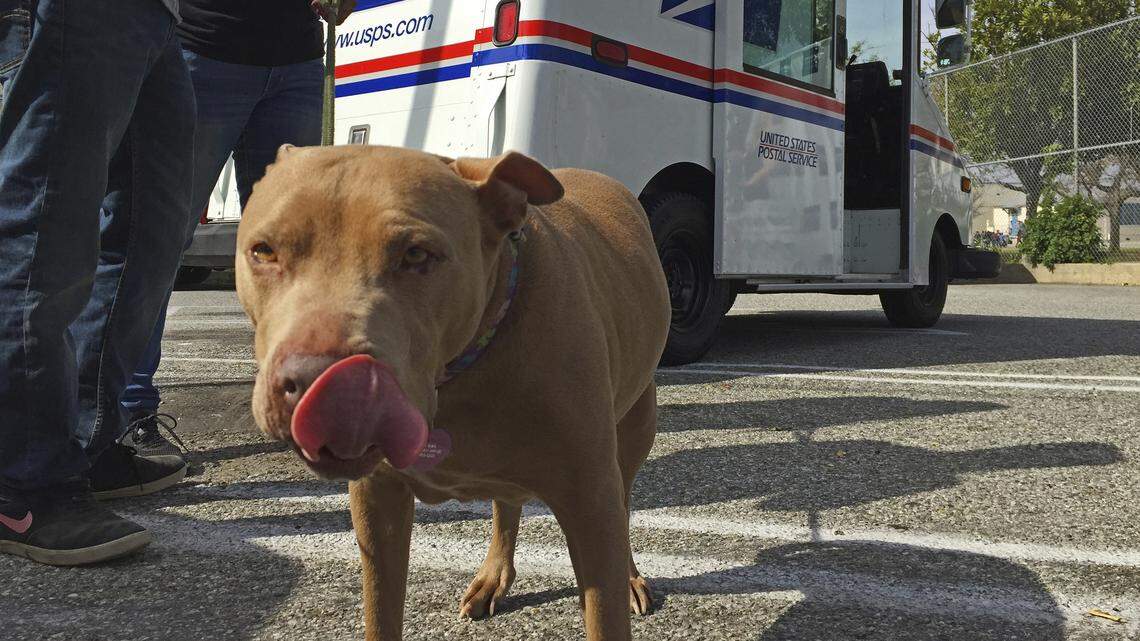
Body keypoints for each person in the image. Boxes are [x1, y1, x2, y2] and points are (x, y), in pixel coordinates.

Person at [0, 0, 195, 565]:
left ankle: (81, 443)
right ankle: (24, 482)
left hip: (157, 17)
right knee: (44, 222)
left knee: (151, 232)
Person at [121, 0, 355, 456]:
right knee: (156, 240)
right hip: (202, 51)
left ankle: (301, 400)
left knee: (298, 252)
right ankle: (126, 413)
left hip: (300, 60)